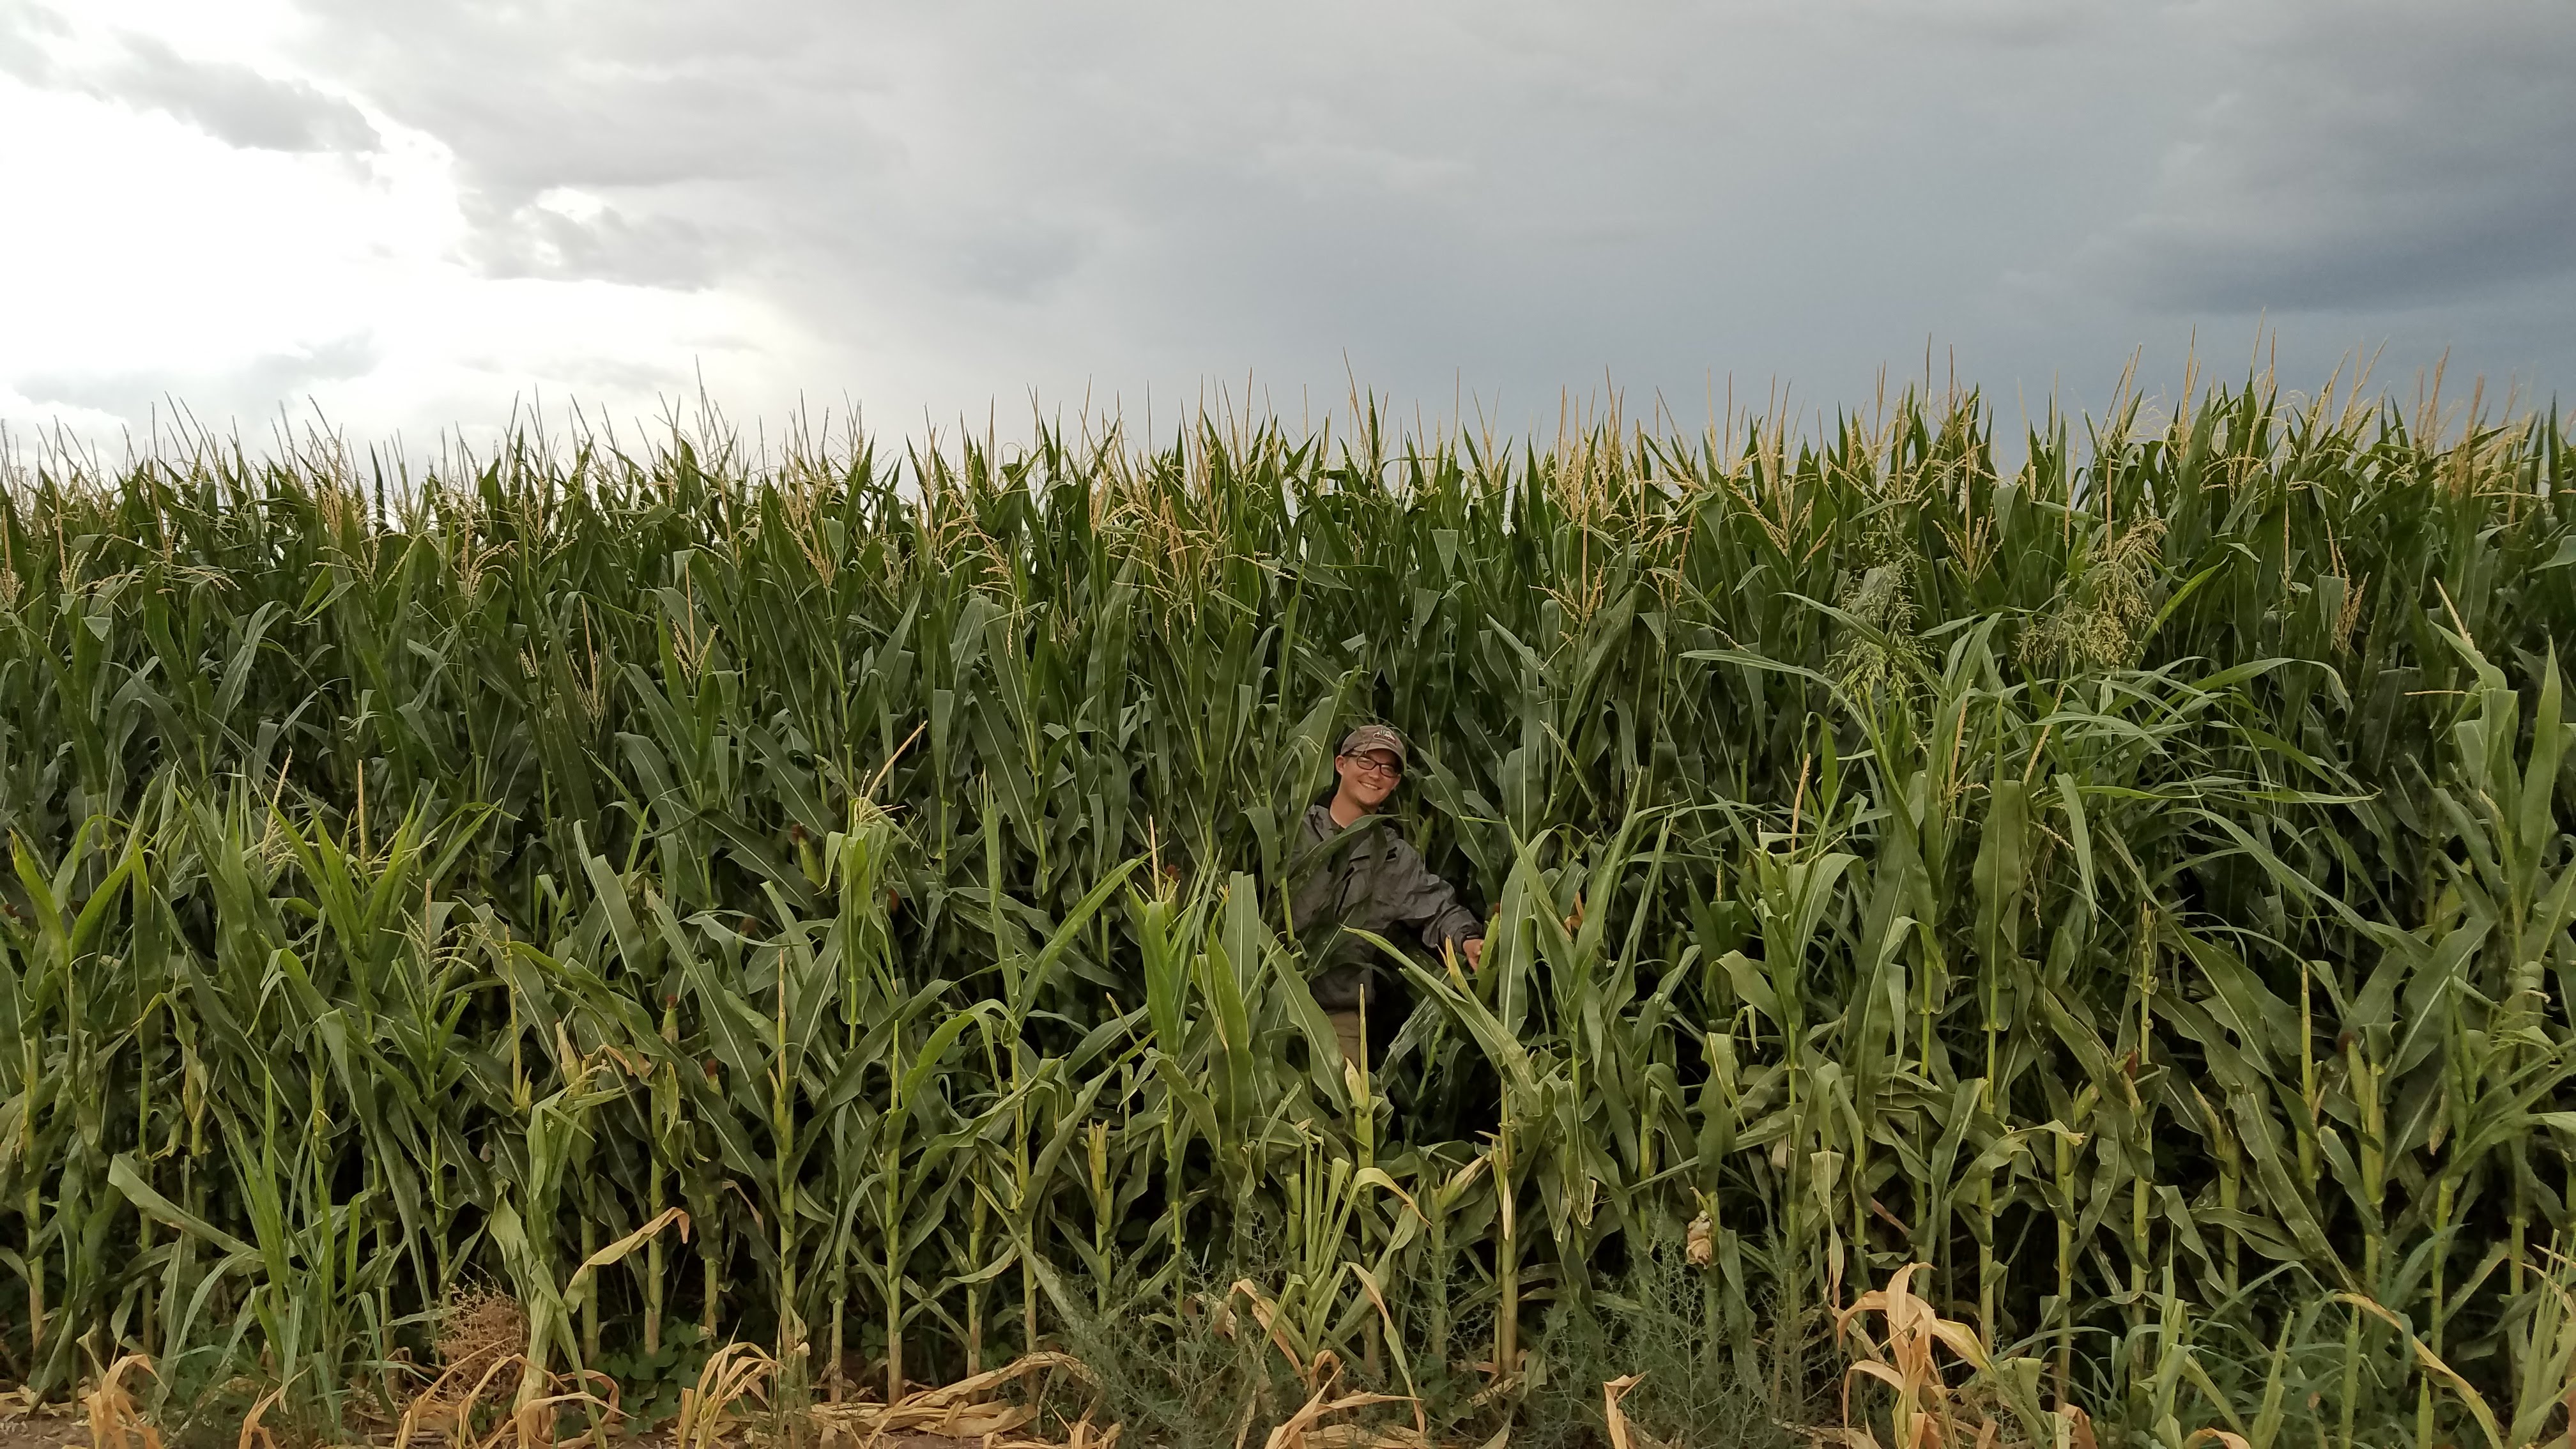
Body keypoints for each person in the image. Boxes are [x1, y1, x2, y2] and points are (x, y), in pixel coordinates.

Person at [1287, 724, 1485, 1069]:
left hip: (1341, 1017)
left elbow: (1438, 909)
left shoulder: (1394, 858)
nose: (1376, 775)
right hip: (1267, 1003)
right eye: (1367, 761)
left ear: (1395, 783)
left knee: (1342, 1118)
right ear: (1340, 764)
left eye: (1389, 769)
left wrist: (1468, 940)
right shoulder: (1292, 832)